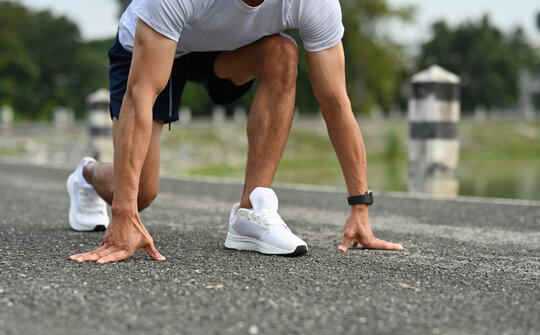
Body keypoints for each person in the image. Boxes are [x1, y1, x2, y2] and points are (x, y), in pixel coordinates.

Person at [68, 0, 403, 264]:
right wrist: (124, 214)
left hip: (223, 51)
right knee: (142, 193)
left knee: (282, 53)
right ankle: (87, 175)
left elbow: (335, 103)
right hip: (150, 45)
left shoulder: (314, 3)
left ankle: (251, 212)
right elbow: (140, 96)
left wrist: (360, 207)